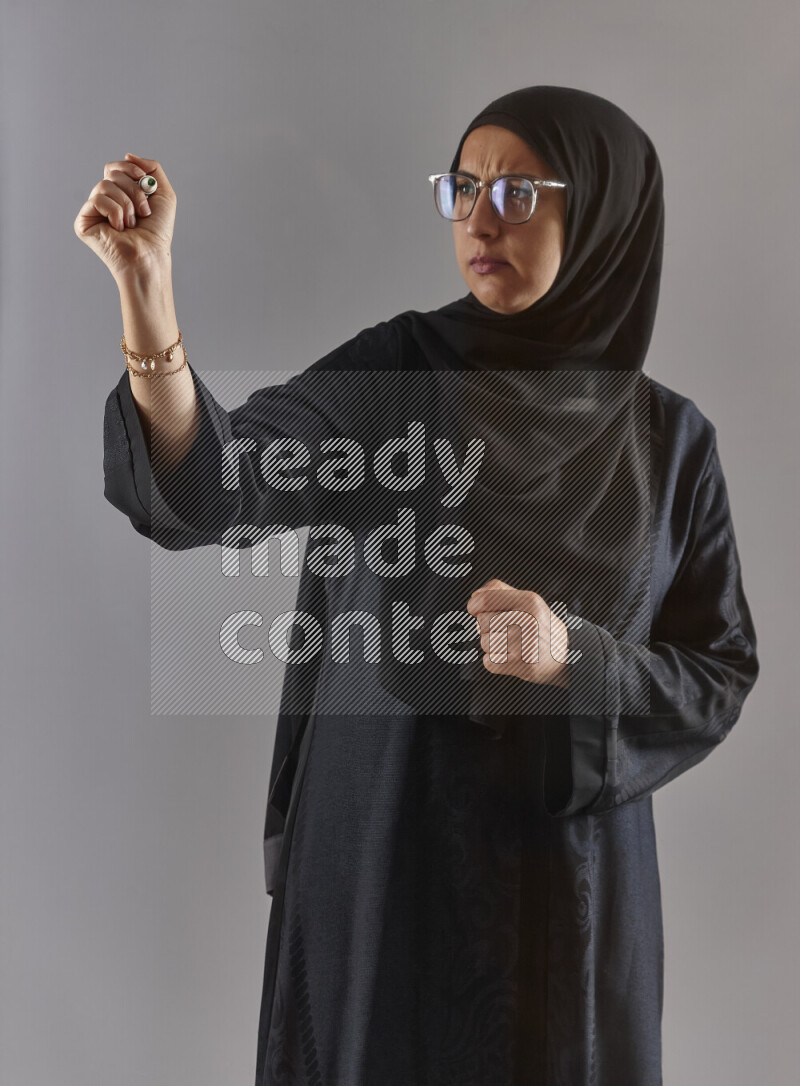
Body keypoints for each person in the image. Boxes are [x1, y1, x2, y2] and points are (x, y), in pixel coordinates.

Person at [76, 86, 760, 1086]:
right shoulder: (396, 376)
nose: (479, 220)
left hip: (564, 900)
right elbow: (217, 488)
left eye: (518, 191)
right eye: (463, 187)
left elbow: (716, 671)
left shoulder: (667, 444)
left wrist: (574, 653)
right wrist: (148, 299)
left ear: (603, 213)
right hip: (381, 856)